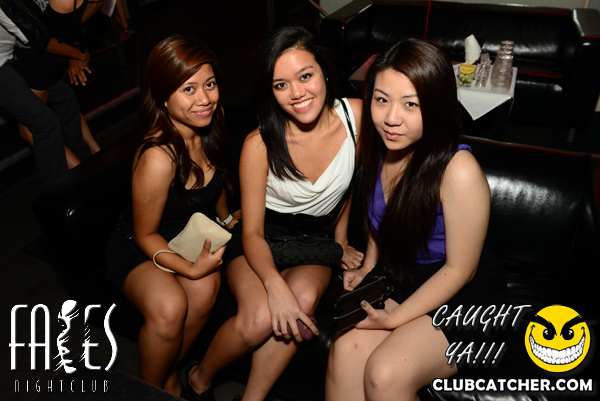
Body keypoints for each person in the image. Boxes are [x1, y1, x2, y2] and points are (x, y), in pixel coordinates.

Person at [182, 25, 364, 401]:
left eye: (305, 76)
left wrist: (341, 240)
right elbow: (251, 231)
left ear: (324, 70)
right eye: (281, 84)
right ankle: (198, 381)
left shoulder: (356, 117)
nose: (297, 93)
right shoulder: (259, 143)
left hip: (313, 240)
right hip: (261, 238)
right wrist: (274, 285)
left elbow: (349, 187)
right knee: (260, 319)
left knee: (303, 303)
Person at [325, 37, 507, 401]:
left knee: (386, 372)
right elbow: (379, 219)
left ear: (436, 106)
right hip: (403, 276)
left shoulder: (458, 170)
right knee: (345, 350)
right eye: (381, 100)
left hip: (464, 292)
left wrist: (394, 318)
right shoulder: (380, 147)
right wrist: (369, 267)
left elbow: (461, 270)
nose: (391, 118)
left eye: (411, 104)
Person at [105, 36, 238, 397]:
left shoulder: (211, 123)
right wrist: (189, 269)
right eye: (189, 89)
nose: (205, 99)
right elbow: (145, 234)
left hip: (183, 236)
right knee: (170, 305)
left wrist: (227, 219)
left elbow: (217, 181)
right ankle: (153, 390)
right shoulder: (158, 157)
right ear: (164, 96)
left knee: (207, 289)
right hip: (137, 245)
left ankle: (166, 374)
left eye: (210, 84)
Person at [0, 0, 91, 187]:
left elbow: (61, 25)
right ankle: (55, 192)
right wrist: (79, 54)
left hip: (12, 59)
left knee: (65, 97)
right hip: (3, 66)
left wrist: (73, 55)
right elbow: (41, 40)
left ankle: (86, 163)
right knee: (45, 124)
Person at [13, 0, 102, 167]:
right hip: (49, 60)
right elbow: (68, 27)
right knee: (65, 98)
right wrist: (77, 54)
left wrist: (78, 54)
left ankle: (78, 168)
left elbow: (45, 39)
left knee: (33, 129)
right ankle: (94, 152)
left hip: (35, 62)